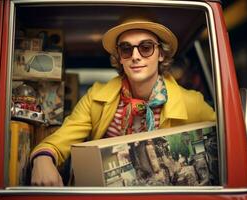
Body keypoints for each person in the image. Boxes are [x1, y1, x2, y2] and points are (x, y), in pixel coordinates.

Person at [30, 13, 216, 186]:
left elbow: (228, 144)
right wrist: (43, 158)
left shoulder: (190, 103)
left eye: (146, 47)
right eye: (126, 49)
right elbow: (60, 139)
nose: (135, 56)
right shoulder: (96, 97)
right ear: (119, 57)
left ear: (160, 54)